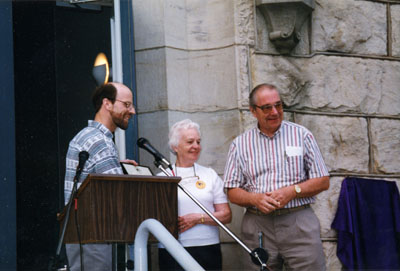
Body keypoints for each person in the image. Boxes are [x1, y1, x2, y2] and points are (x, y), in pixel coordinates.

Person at [223, 83, 330, 270]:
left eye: (278, 105)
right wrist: (254, 199)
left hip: (298, 222)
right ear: (253, 111)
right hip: (258, 226)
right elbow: (232, 191)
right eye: (266, 108)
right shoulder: (239, 145)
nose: (274, 112)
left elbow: (322, 180)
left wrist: (293, 191)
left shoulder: (302, 135)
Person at [64, 82, 137, 271]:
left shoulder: (87, 136)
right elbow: (117, 194)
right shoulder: (101, 142)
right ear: (107, 103)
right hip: (96, 237)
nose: (133, 111)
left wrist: (119, 166)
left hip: (83, 234)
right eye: (127, 105)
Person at [157, 119, 232, 271]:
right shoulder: (162, 176)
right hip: (172, 248)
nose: (196, 146)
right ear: (175, 147)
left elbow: (226, 215)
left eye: (198, 142)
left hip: (207, 248)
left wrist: (198, 218)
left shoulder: (209, 174)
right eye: (190, 142)